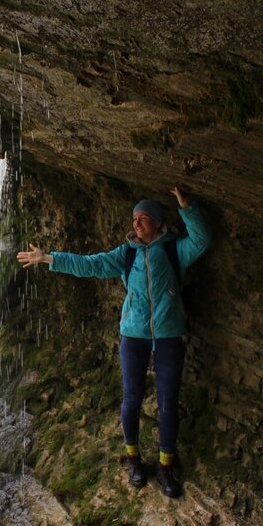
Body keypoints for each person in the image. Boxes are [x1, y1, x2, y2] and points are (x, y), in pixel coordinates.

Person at [16, 186, 212, 498]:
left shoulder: (175, 251)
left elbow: (202, 240)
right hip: (133, 333)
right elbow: (90, 264)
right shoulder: (127, 254)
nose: (137, 224)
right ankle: (133, 459)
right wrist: (48, 258)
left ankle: (165, 465)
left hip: (168, 334)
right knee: (131, 399)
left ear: (159, 224)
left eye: (144, 218)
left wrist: (187, 208)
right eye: (135, 218)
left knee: (167, 403)